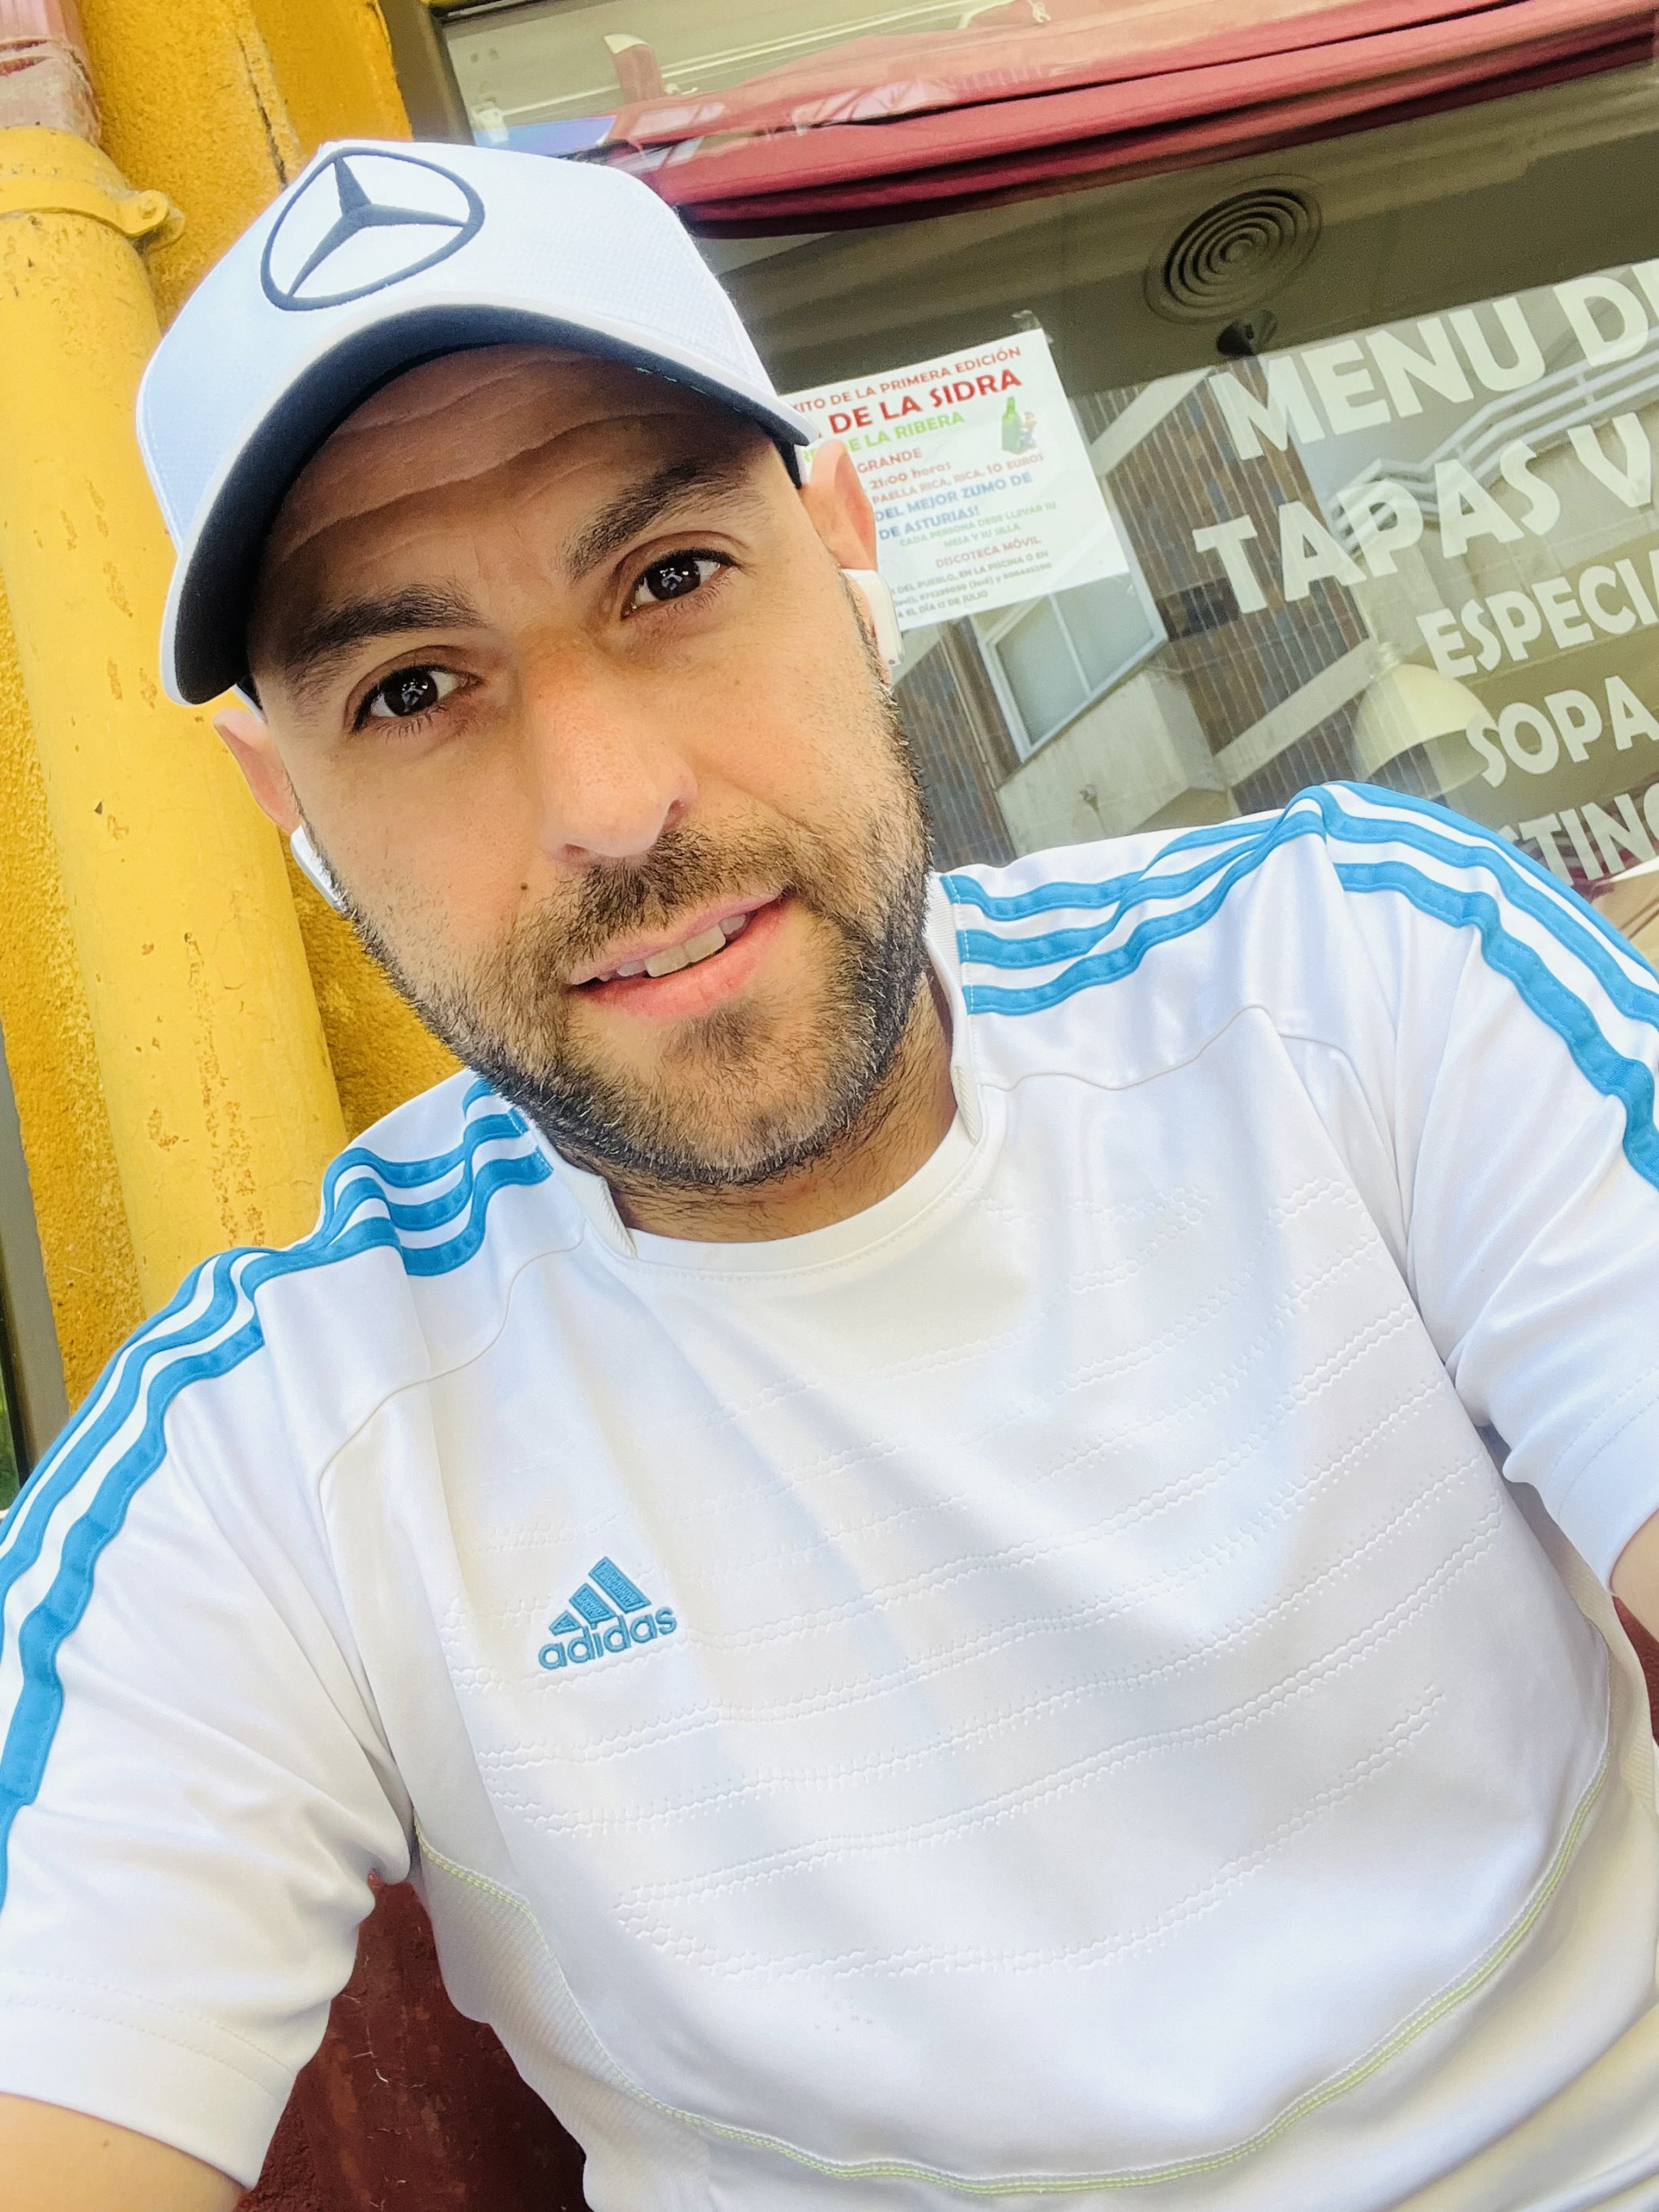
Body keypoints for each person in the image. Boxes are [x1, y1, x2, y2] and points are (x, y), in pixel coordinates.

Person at [0, 139, 1657, 2212]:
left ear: (847, 551)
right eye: (413, 690)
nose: (615, 806)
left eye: (671, 580)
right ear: (288, 804)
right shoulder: (266, 1455)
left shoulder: (1358, 978)